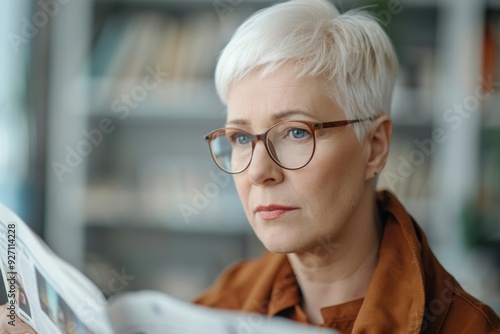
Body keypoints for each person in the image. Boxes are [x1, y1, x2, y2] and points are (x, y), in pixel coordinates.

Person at [1, 0, 499, 333]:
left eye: (296, 132)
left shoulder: (467, 325)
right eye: (240, 137)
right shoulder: (223, 303)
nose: (259, 170)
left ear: (374, 147)